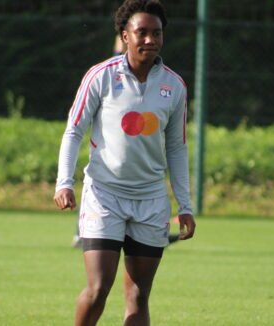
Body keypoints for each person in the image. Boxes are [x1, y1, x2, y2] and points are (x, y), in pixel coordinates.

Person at [54, 0, 195, 325]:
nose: (150, 39)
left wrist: (184, 204)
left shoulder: (173, 85)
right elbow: (74, 131)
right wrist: (64, 181)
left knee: (138, 296)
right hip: (104, 196)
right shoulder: (100, 76)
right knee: (99, 287)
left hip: (151, 201)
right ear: (124, 35)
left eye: (156, 33)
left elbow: (177, 147)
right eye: (141, 32)